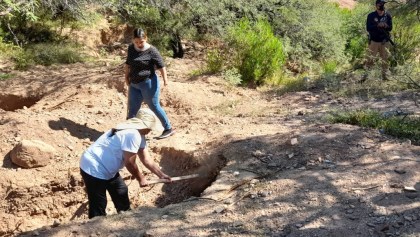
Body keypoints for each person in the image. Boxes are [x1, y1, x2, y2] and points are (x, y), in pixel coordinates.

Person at [80, 108, 172, 219]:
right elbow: (129, 162)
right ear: (142, 125)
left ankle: (126, 219)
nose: (150, 131)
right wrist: (141, 178)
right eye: (149, 127)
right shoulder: (132, 134)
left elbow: (146, 159)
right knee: (99, 204)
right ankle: (95, 227)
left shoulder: (139, 134)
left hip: (107, 168)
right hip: (93, 167)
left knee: (121, 191)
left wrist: (161, 175)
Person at [125, 28, 175, 139]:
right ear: (133, 40)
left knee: (154, 106)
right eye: (136, 42)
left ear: (146, 39)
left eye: (141, 41)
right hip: (134, 83)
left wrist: (165, 80)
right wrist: (126, 76)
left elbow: (162, 66)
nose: (139, 44)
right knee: (132, 108)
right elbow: (128, 63)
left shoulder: (152, 50)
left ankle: (168, 128)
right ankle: (128, 132)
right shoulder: (131, 48)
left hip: (148, 83)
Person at [366, 0, 393, 80]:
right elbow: (368, 28)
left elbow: (390, 28)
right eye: (381, 4)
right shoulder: (371, 15)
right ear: (377, 5)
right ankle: (366, 77)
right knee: (370, 59)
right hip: (374, 41)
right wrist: (377, 25)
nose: (383, 6)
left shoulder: (387, 15)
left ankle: (385, 77)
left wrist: (385, 25)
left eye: (384, 4)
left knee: (385, 60)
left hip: (384, 41)